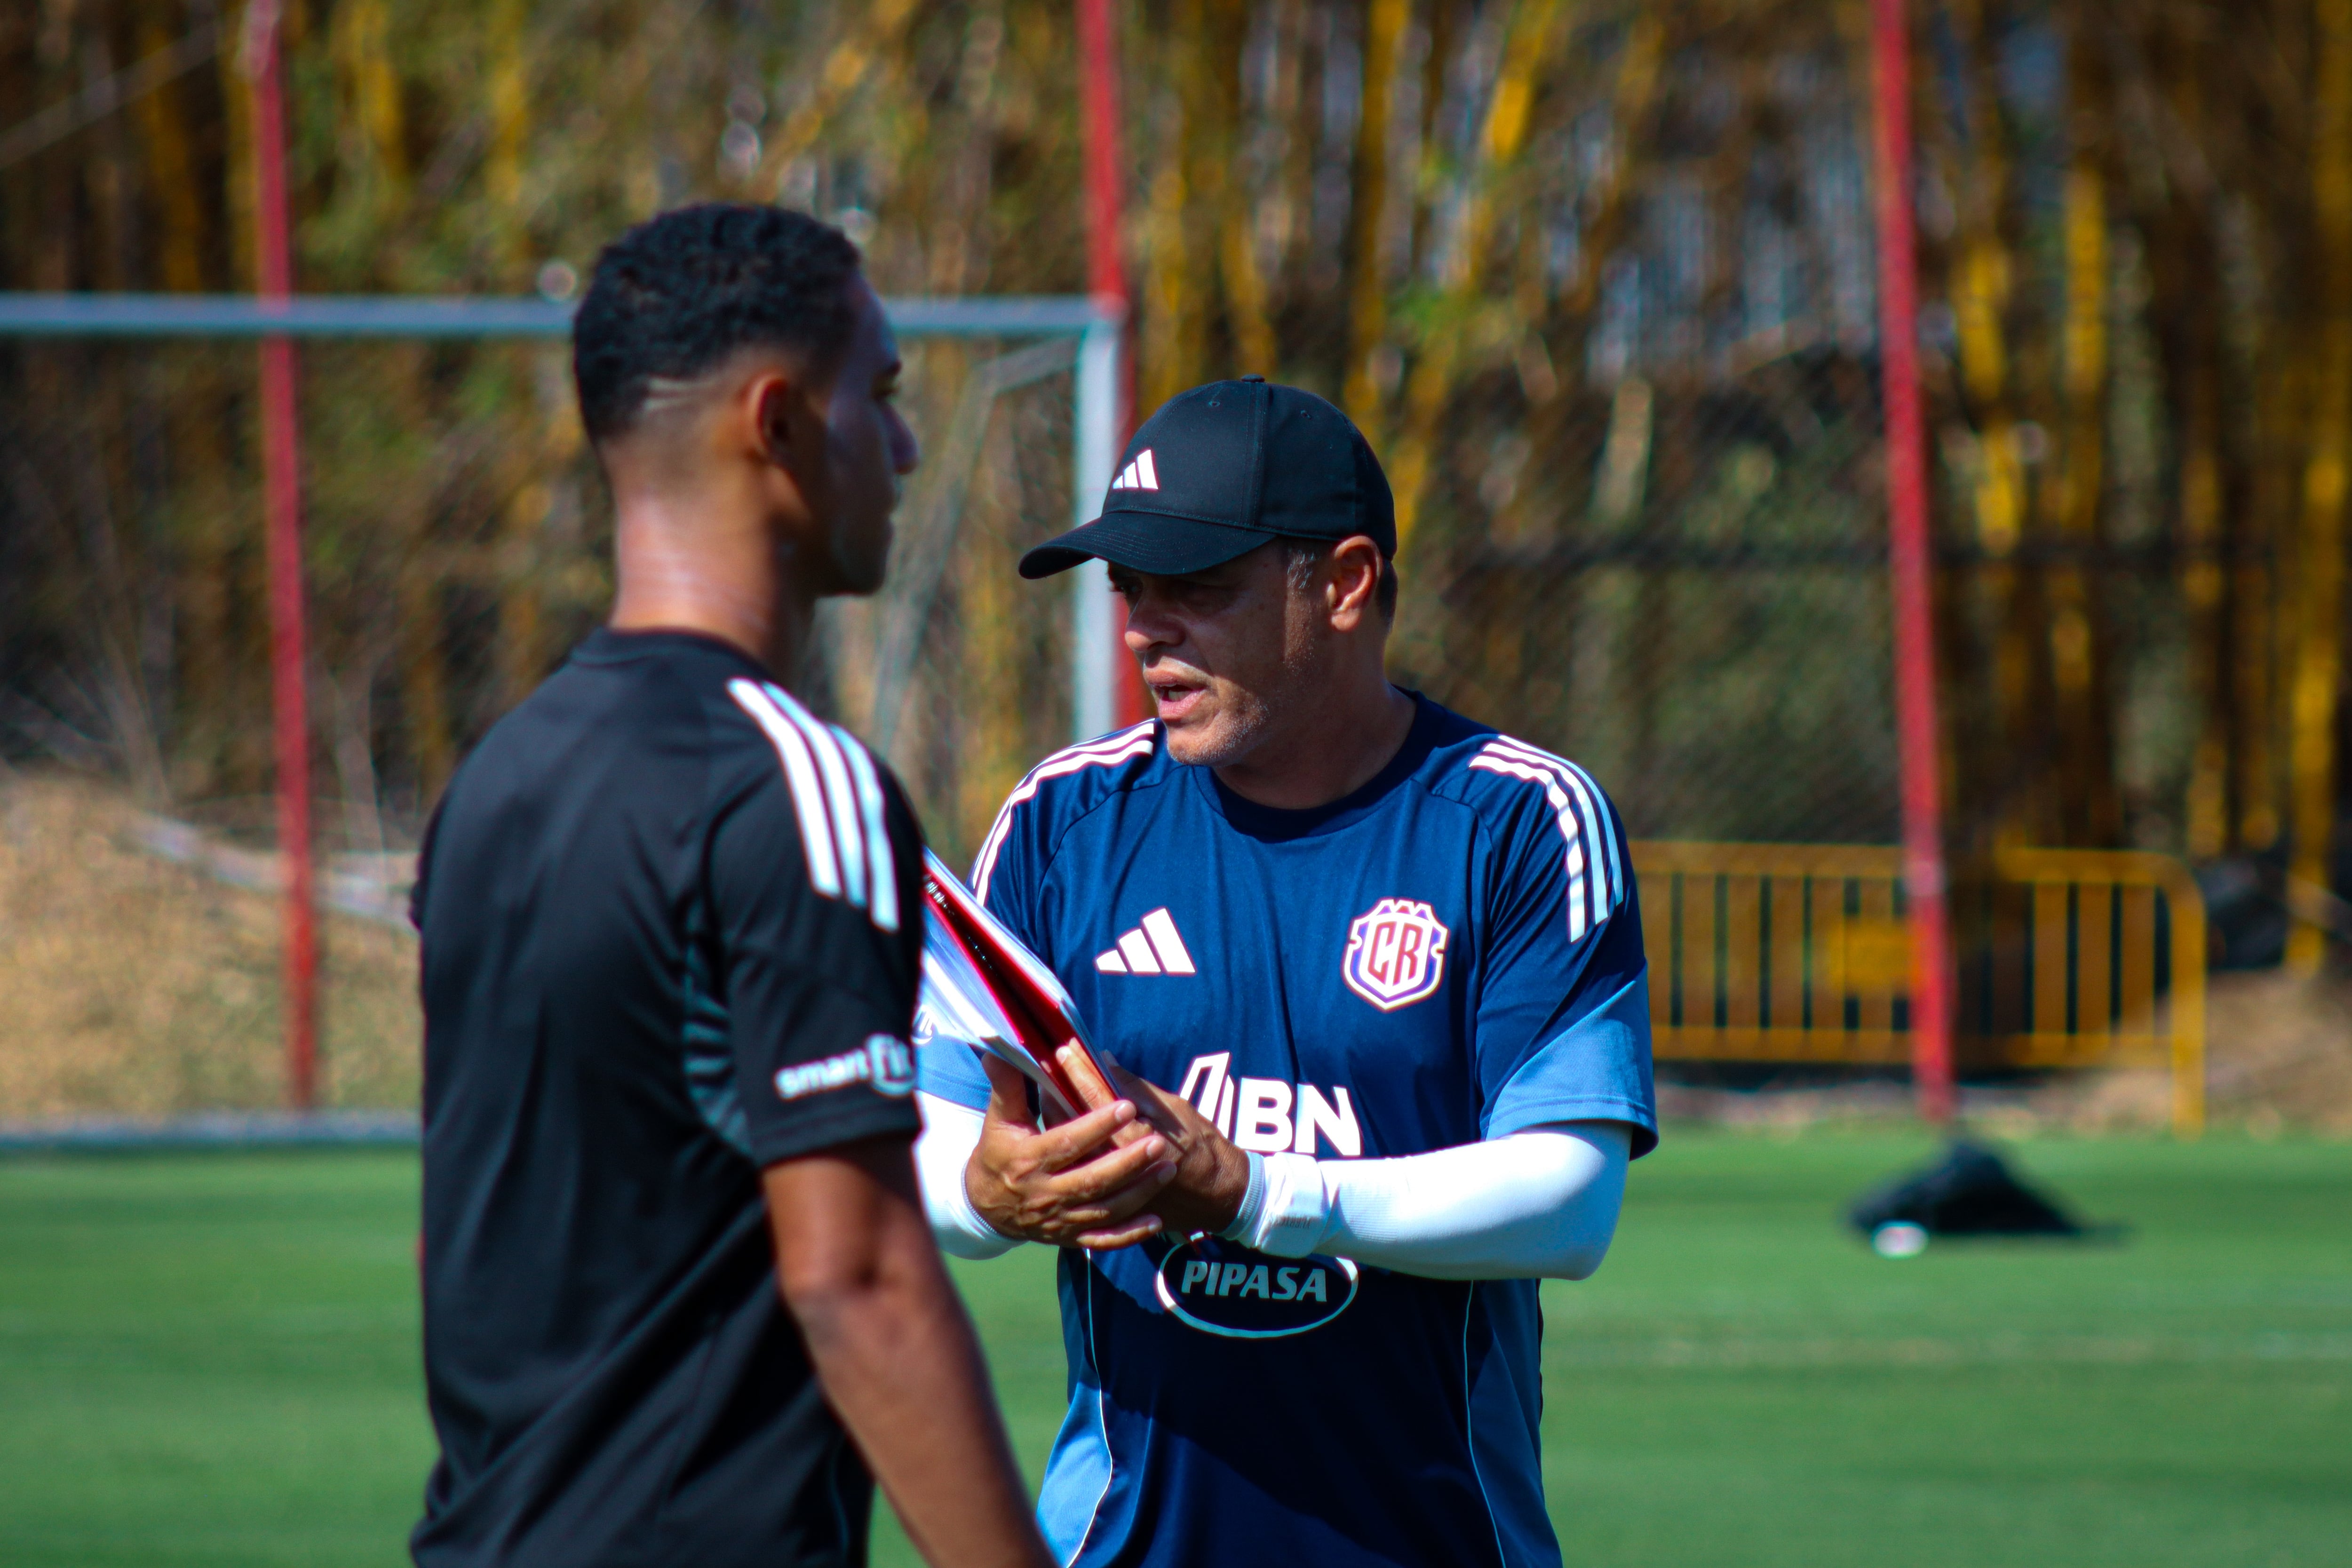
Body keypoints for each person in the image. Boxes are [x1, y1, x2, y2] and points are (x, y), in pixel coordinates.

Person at [911, 376, 1658, 1568]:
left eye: (1199, 590)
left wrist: (1262, 1192)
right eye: (1130, 591)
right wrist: (989, 1195)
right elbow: (930, 1139)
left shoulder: (1517, 819)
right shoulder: (1064, 819)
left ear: (1347, 583)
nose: (1148, 631)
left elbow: (1569, 1200)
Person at [410, 204, 1056, 1568]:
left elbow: (471, 1242)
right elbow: (861, 1277)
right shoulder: (797, 789)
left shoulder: (499, 779)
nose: (906, 443)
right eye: (877, 394)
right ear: (776, 422)